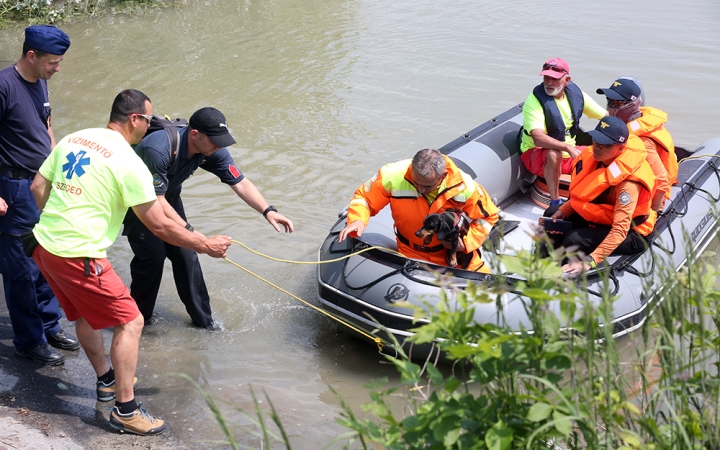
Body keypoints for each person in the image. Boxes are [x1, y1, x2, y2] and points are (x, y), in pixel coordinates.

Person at [29, 89, 231, 435]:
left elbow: (37, 187)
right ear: (135, 119)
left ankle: (107, 379)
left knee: (84, 315)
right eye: (149, 120)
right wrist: (203, 244)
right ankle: (126, 409)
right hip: (81, 254)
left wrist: (57, 222)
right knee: (131, 321)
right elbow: (158, 223)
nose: (151, 126)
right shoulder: (129, 162)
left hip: (44, 246)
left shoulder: (75, 137)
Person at [124, 107, 294, 329]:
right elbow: (156, 201)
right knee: (153, 259)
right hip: (142, 203)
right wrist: (193, 233)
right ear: (195, 134)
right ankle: (138, 322)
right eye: (215, 140)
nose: (219, 146)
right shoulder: (158, 149)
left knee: (187, 255)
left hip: (168, 198)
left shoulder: (212, 149)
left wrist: (268, 210)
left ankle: (205, 322)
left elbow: (239, 181)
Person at [0, 25, 79, 366]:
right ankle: (29, 339)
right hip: (13, 187)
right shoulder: (4, 86)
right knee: (19, 267)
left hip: (42, 182)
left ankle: (49, 324)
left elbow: (46, 126)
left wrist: (60, 167)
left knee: (46, 255)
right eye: (53, 62)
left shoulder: (40, 81)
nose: (57, 68)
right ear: (31, 56)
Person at [337, 148, 499, 273]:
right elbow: (364, 197)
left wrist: (468, 243)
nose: (420, 189)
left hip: (454, 255)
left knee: (489, 298)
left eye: (427, 186)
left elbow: (489, 216)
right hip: (410, 252)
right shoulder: (392, 176)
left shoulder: (465, 187)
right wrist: (358, 219)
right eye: (416, 183)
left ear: (443, 176)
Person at [545, 116, 657, 275]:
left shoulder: (629, 184)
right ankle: (550, 262)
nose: (597, 147)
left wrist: (591, 260)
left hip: (632, 232)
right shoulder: (595, 158)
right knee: (552, 215)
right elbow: (584, 196)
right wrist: (564, 210)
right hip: (604, 218)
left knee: (575, 240)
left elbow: (620, 229)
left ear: (620, 148)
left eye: (605, 145)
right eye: (596, 141)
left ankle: (565, 277)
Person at [520, 57, 607, 210]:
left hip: (568, 155)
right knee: (554, 153)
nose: (548, 82)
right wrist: (567, 148)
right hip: (536, 154)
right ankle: (555, 201)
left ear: (566, 80)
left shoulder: (577, 96)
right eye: (546, 77)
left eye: (554, 79)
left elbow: (606, 117)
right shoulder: (534, 101)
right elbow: (538, 138)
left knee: (604, 155)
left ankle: (595, 198)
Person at [597, 78, 677, 212]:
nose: (611, 106)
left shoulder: (642, 141)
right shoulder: (628, 126)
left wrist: (652, 214)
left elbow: (661, 180)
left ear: (633, 104)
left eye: (617, 102)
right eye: (609, 101)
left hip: (640, 200)